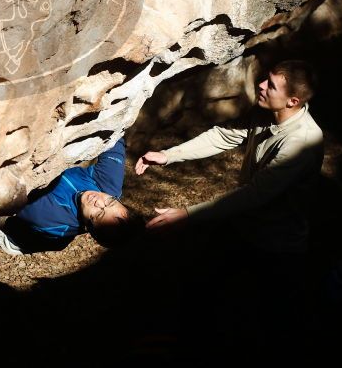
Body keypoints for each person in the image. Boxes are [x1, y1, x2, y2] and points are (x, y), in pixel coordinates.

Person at [135, 59, 324, 358]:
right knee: (203, 286)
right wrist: (168, 155)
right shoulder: (268, 113)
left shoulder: (301, 141)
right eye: (266, 79)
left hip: (276, 245)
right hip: (244, 228)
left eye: (271, 85)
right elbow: (224, 135)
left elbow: (255, 195)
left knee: (277, 317)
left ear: (293, 101)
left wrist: (187, 214)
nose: (261, 85)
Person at [0, 136, 144, 255]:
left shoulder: (50, 219)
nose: (98, 202)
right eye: (110, 202)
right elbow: (116, 139)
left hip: (31, 233)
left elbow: (12, 192)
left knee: (17, 236)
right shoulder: (109, 186)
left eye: (98, 214)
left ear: (89, 227)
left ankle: (12, 243)